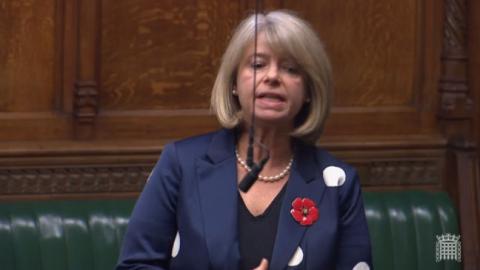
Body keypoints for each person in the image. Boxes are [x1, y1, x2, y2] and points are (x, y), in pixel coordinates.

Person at [116, 10, 372, 270]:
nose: (272, 77)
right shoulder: (181, 164)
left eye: (291, 69)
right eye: (258, 64)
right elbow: (135, 266)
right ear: (234, 83)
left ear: (308, 90)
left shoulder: (338, 183)